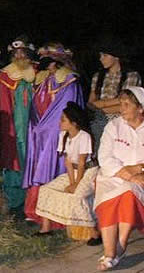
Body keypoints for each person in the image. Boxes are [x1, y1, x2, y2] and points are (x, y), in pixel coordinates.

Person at [23, 43, 83, 220]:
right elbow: (36, 106)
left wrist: (46, 128)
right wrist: (36, 126)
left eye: (48, 62)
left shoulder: (69, 81)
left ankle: (55, 213)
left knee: (52, 166)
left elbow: (66, 111)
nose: (46, 66)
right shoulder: (45, 80)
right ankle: (37, 210)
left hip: (55, 132)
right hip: (39, 132)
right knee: (38, 167)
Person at [34, 102, 100, 245]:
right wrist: (72, 182)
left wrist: (76, 184)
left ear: (74, 123)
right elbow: (68, 162)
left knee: (78, 196)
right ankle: (46, 228)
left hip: (89, 172)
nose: (60, 122)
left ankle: (95, 233)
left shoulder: (84, 137)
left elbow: (82, 163)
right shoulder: (63, 135)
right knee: (45, 190)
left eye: (63, 119)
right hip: (74, 172)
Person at [93, 87, 144, 271]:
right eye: (120, 104)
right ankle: (110, 252)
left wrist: (140, 170)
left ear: (140, 108)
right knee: (110, 200)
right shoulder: (113, 126)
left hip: (138, 180)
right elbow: (104, 157)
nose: (121, 109)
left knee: (129, 194)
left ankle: (118, 247)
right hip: (112, 176)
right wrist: (127, 171)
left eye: (126, 105)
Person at [0, 36, 36, 215]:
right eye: (16, 53)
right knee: (16, 157)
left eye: (23, 52)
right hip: (16, 126)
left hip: (35, 126)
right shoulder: (7, 75)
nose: (20, 56)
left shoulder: (37, 71)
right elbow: (5, 105)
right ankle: (16, 201)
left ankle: (35, 200)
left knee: (34, 156)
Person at [88, 43, 141, 153]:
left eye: (105, 55)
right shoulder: (98, 76)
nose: (101, 59)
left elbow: (125, 103)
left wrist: (101, 106)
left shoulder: (131, 76)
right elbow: (91, 103)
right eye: (100, 55)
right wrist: (111, 103)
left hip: (121, 118)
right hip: (98, 119)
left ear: (116, 57)